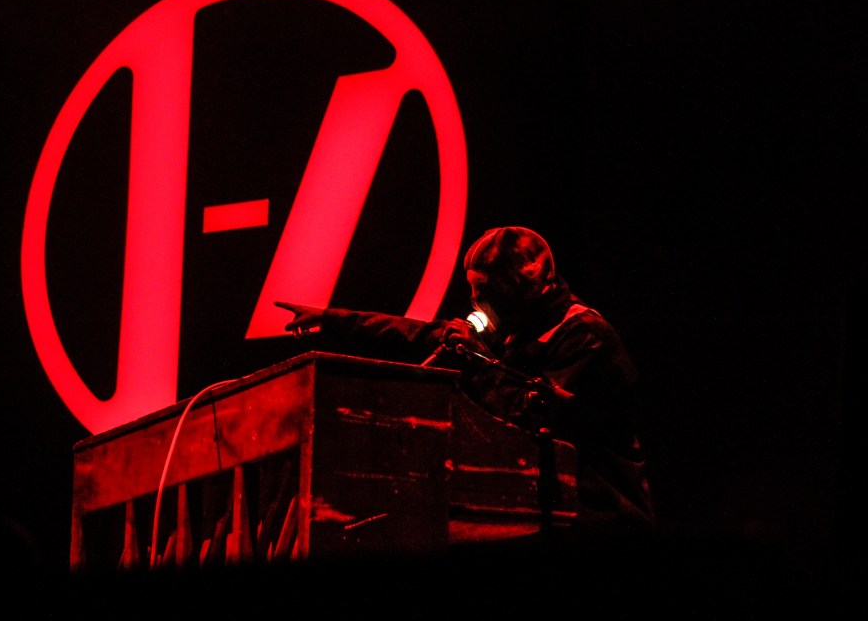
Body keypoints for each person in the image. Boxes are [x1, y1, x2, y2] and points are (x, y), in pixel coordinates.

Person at [275, 226, 655, 548]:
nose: (475, 301)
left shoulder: (584, 335)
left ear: (519, 290)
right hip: (543, 518)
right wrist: (332, 319)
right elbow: (415, 333)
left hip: (602, 520)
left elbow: (533, 415)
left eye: (486, 292)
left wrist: (479, 361)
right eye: (473, 289)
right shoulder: (513, 329)